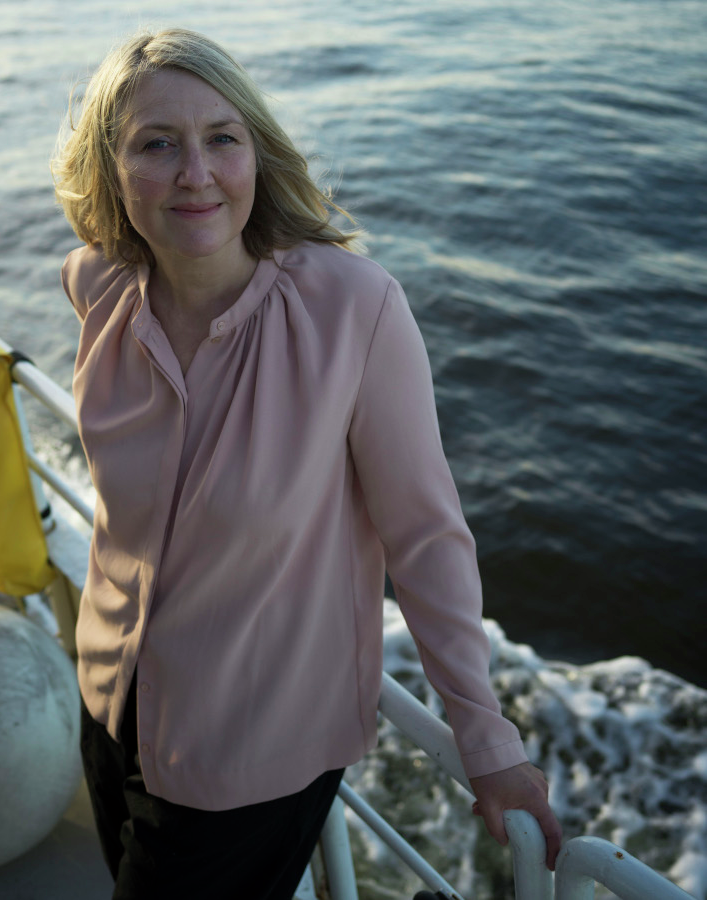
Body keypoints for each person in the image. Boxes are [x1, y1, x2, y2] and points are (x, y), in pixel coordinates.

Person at [52, 27, 561, 899]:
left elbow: (425, 535)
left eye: (221, 138)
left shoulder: (355, 310)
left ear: (255, 151)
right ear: (111, 167)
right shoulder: (96, 286)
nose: (196, 173)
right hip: (106, 699)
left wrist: (486, 740)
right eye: (157, 144)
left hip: (249, 754)